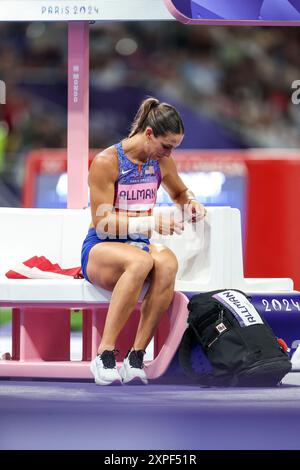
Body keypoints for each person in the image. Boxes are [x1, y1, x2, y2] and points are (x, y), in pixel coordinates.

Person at [81, 96, 206, 386]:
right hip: (102, 247)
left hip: (139, 245)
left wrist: (191, 203)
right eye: (166, 146)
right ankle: (104, 355)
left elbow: (179, 192)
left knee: (167, 263)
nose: (168, 153)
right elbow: (103, 222)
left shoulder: (161, 161)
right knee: (140, 261)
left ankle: (136, 357)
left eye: (174, 148)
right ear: (149, 134)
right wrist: (150, 222)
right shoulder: (107, 161)